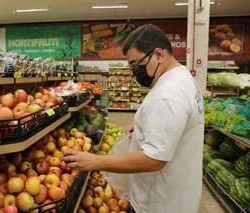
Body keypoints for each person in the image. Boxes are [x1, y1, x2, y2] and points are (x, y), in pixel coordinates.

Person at [64, 24, 204, 213]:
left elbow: (154, 159)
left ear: (159, 54)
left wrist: (95, 161)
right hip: (178, 192)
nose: (134, 71)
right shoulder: (182, 78)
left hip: (159, 203)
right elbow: (174, 123)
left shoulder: (167, 96)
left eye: (137, 64)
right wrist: (144, 127)